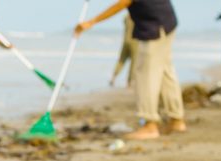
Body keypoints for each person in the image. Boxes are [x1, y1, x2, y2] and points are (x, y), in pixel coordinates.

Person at [76, 0, 186, 140]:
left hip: (154, 27)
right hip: (166, 21)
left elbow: (123, 3)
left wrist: (92, 22)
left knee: (145, 76)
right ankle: (176, 120)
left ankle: (150, 125)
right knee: (165, 71)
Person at [110, 15, 136, 87]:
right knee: (134, 62)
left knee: (121, 60)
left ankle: (113, 77)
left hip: (125, 40)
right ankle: (130, 81)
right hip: (134, 41)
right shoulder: (137, 16)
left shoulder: (126, 18)